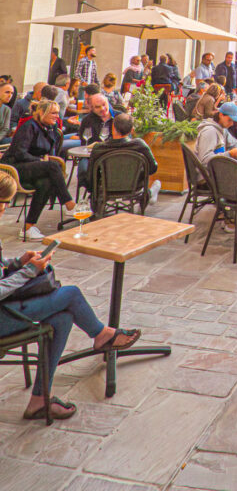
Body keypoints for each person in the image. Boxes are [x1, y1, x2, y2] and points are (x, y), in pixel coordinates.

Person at [0, 171, 142, 421]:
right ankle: (102, 335)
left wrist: (18, 262)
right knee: (71, 295)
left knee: (63, 319)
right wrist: (30, 270)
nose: (4, 208)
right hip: (3, 316)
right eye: (3, 203)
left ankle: (39, 400)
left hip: (8, 308)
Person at [1, 99, 77, 239]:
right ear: (42, 112)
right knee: (52, 166)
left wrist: (43, 164)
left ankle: (28, 227)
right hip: (14, 168)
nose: (57, 116)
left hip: (32, 167)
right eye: (53, 113)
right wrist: (40, 162)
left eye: (57, 113)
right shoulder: (29, 126)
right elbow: (19, 152)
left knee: (47, 182)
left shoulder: (50, 128)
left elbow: (49, 151)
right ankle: (69, 203)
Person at [83, 113, 161, 204]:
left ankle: (149, 193)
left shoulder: (99, 148)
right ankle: (149, 193)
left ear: (112, 128)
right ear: (132, 130)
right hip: (134, 186)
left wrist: (92, 190)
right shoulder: (139, 145)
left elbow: (91, 175)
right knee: (152, 181)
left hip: (105, 187)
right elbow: (153, 168)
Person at [0, 80, 14, 146]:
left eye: (12, 93)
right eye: (7, 92)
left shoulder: (7, 109)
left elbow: (5, 129)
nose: (10, 95)